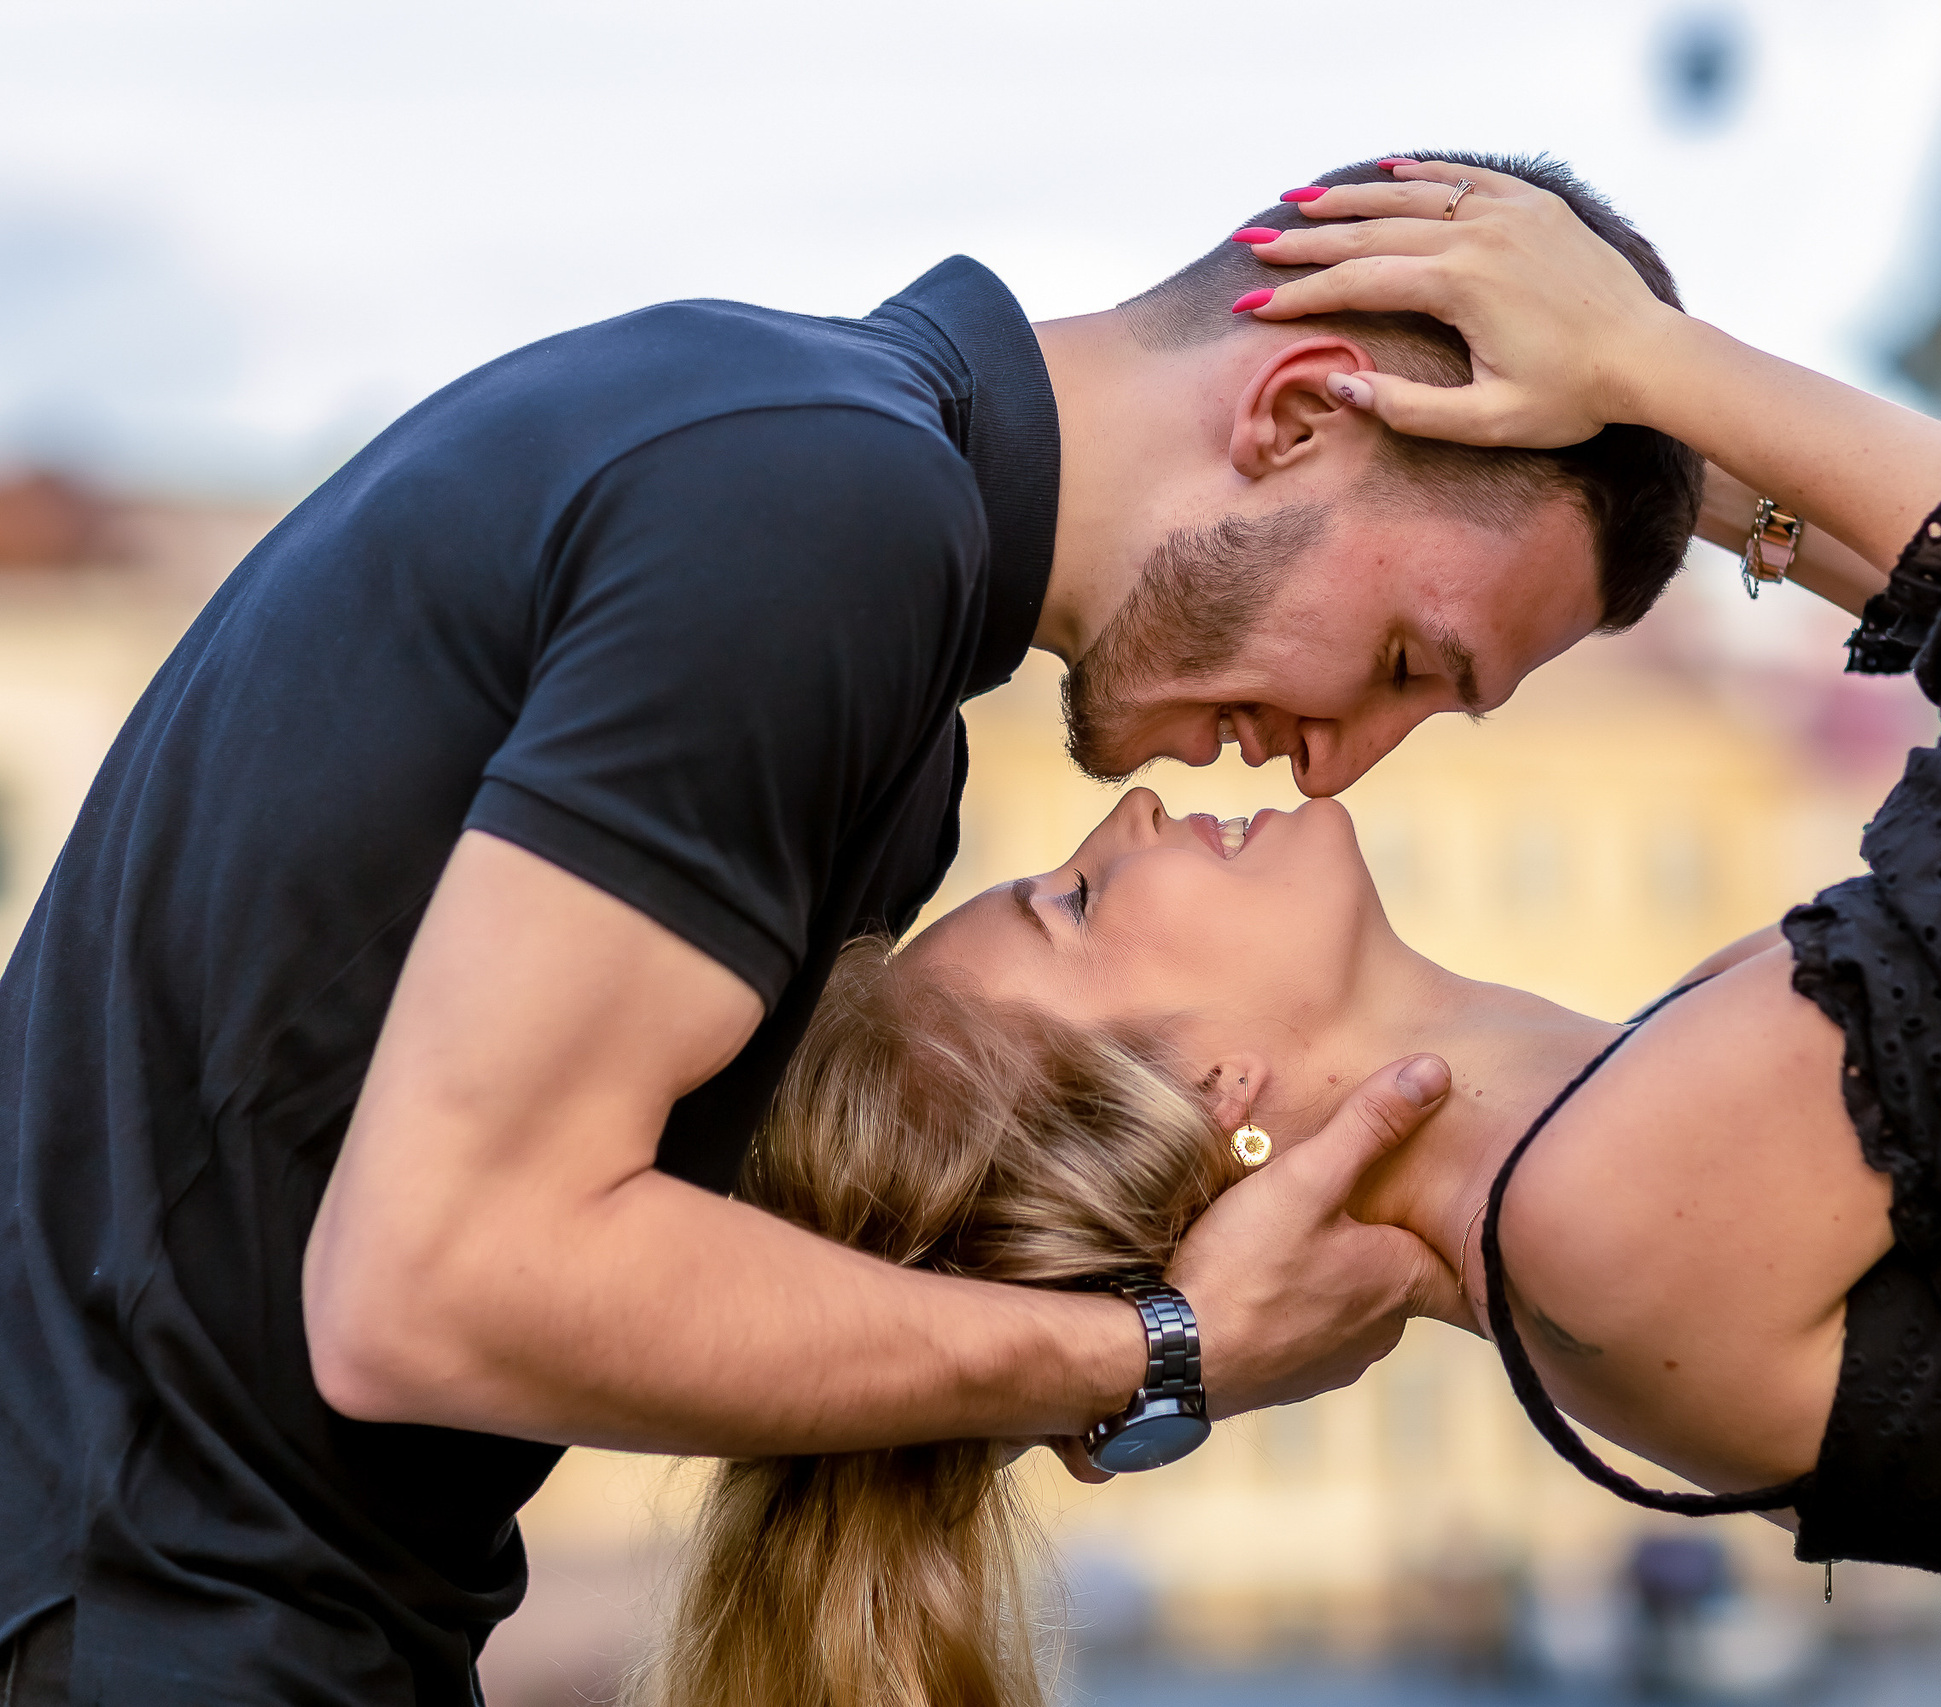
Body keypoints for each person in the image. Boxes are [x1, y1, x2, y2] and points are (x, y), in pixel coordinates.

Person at [660, 166, 1941, 1707]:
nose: (1133, 812)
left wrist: (1650, 469)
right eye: (1077, 902)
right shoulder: (1606, 1205)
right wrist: (1659, 362)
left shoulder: (1570, 1195)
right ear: (1220, 1092)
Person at [0, 154, 1707, 1704]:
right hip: (148, 1634)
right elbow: (431, 1292)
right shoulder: (819, 516)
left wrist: (1682, 408)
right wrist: (1158, 1351)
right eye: (1411, 662)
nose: (1345, 766)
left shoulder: (812, 521)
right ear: (1295, 412)